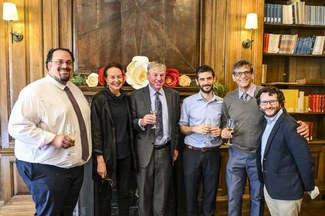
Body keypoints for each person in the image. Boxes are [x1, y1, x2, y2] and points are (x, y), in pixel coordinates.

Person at [8, 48, 91, 215]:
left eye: (68, 62)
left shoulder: (74, 89)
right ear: (48, 65)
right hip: (47, 168)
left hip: (74, 168)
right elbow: (17, 127)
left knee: (65, 213)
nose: (65, 66)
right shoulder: (35, 91)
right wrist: (52, 139)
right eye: (59, 62)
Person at [221, 59, 309, 216]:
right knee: (233, 197)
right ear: (234, 77)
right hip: (236, 154)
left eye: (246, 72)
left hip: (259, 156)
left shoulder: (264, 94)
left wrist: (300, 126)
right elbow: (224, 123)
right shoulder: (228, 99)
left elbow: (281, 114)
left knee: (257, 197)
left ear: (252, 74)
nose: (243, 76)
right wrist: (223, 132)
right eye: (238, 73)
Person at [255, 86, 315, 216]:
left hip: (288, 191)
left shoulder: (291, 126)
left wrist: (309, 187)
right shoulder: (265, 122)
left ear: (280, 103)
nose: (268, 105)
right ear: (259, 105)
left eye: (272, 101)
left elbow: (304, 160)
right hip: (270, 187)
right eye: (264, 102)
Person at [130, 61, 180, 216]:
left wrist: (176, 147)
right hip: (144, 152)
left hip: (165, 151)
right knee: (144, 195)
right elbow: (130, 123)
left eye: (162, 75)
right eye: (155, 75)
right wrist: (141, 122)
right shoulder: (136, 95)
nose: (159, 78)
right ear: (147, 76)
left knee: (162, 195)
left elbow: (176, 124)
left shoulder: (173, 95)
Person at [91, 62, 138, 216]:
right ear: (105, 79)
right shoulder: (99, 99)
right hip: (107, 155)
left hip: (126, 155)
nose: (116, 80)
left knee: (125, 192)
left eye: (119, 76)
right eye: (112, 77)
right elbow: (96, 131)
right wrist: (100, 160)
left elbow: (131, 126)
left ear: (123, 78)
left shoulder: (127, 98)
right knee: (105, 194)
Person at [179, 65, 223, 216]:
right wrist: (194, 129)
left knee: (210, 194)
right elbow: (182, 128)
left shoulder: (222, 103)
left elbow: (226, 128)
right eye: (202, 79)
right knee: (190, 193)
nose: (206, 82)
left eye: (209, 78)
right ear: (197, 81)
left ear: (214, 79)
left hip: (213, 153)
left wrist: (221, 131)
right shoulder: (188, 102)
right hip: (192, 153)